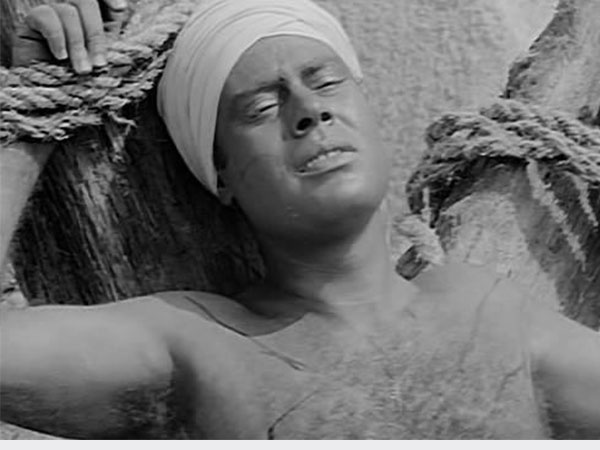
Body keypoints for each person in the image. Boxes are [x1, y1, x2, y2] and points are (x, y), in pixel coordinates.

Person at [1, 0, 599, 440]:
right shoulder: (197, 343)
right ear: (222, 175)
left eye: (327, 82)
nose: (310, 110)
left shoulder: (492, 317)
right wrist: (36, 108)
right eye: (262, 107)